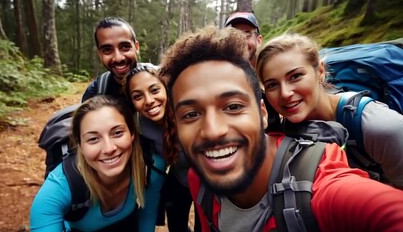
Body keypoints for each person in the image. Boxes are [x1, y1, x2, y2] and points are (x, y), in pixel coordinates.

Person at [159, 26, 403, 231]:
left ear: (262, 113)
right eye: (191, 114)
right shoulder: (200, 180)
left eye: (233, 106)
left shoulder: (375, 128)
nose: (212, 131)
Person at [256, 33, 403, 188]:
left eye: (295, 76)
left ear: (320, 71)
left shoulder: (379, 125)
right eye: (272, 85)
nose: (285, 93)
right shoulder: (282, 131)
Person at [30, 95, 165, 231]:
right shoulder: (55, 192)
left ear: (132, 134)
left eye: (117, 133)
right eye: (93, 139)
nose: (109, 148)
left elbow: (147, 219)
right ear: (80, 146)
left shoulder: (150, 167)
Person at [124, 65, 201, 232]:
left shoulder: (189, 112)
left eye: (154, 90)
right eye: (138, 96)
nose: (149, 100)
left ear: (166, 88)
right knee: (176, 226)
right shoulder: (139, 126)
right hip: (179, 178)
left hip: (207, 182)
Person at [225, 11, 281, 132]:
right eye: (234, 35)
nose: (241, 40)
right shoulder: (221, 77)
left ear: (258, 40)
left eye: (247, 34)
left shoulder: (274, 70)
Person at [82, 17, 151, 102]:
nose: (118, 58)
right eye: (107, 50)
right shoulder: (95, 92)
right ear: (99, 54)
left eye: (125, 47)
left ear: (136, 47)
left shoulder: (162, 80)